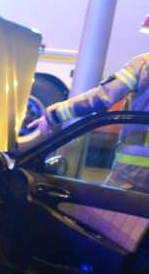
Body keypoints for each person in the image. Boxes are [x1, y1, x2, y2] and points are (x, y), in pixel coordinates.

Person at [30, 54, 149, 192]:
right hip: (136, 168)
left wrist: (54, 115)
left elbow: (101, 98)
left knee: (109, 211)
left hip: (135, 169)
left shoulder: (144, 63)